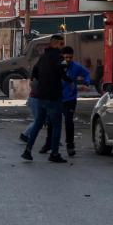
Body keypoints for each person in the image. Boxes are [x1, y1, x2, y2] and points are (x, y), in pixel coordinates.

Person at [21, 34, 68, 163]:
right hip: (53, 96)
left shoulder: (42, 57)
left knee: (38, 123)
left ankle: (28, 150)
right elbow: (63, 72)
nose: (62, 47)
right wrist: (71, 81)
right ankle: (54, 153)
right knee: (57, 125)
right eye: (61, 44)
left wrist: (42, 82)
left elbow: (34, 72)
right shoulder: (59, 57)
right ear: (57, 43)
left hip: (40, 96)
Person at [39, 46, 91, 157]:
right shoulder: (57, 67)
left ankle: (70, 145)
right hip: (57, 98)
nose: (67, 59)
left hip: (70, 99)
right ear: (61, 57)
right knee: (52, 122)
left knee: (69, 121)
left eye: (70, 57)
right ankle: (49, 144)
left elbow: (86, 73)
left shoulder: (76, 67)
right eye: (65, 57)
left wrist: (86, 82)